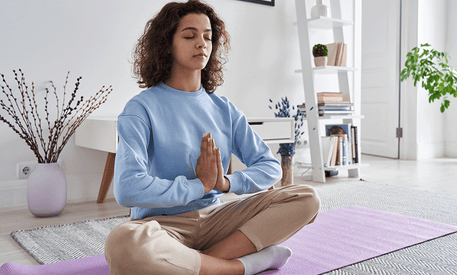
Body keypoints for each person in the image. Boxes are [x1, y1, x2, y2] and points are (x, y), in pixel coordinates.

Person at [104, 1, 320, 274]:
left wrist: (225, 183)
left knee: (307, 197)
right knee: (123, 243)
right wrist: (199, 185)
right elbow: (127, 188)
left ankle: (198, 262)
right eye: (189, 35)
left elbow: (270, 167)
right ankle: (241, 266)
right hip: (163, 227)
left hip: (217, 220)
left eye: (208, 36)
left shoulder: (225, 109)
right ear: (166, 43)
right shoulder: (140, 108)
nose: (202, 43)